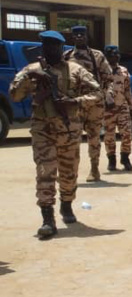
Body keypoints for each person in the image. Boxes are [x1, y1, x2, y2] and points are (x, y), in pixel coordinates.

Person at [9, 31, 102, 239]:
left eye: (54, 45)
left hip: (69, 131)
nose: (49, 49)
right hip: (43, 130)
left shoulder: (76, 70)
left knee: (69, 173)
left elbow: (97, 93)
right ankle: (47, 218)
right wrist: (29, 78)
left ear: (61, 48)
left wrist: (74, 101)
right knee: (45, 171)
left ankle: (66, 205)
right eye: (46, 45)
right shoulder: (31, 69)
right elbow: (14, 95)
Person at [64, 25, 113, 182]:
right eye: (76, 34)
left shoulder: (97, 56)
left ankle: (94, 168)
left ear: (87, 36)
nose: (79, 37)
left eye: (82, 34)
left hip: (93, 103)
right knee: (73, 138)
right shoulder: (66, 56)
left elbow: (108, 77)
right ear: (72, 37)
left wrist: (105, 95)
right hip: (74, 103)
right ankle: (72, 171)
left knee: (94, 138)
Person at [102, 45, 132, 171]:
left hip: (122, 107)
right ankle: (111, 160)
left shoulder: (124, 71)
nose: (116, 56)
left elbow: (127, 90)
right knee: (109, 136)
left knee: (127, 133)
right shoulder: (102, 71)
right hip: (107, 109)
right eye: (113, 54)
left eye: (117, 54)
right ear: (107, 56)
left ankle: (125, 157)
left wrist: (131, 106)